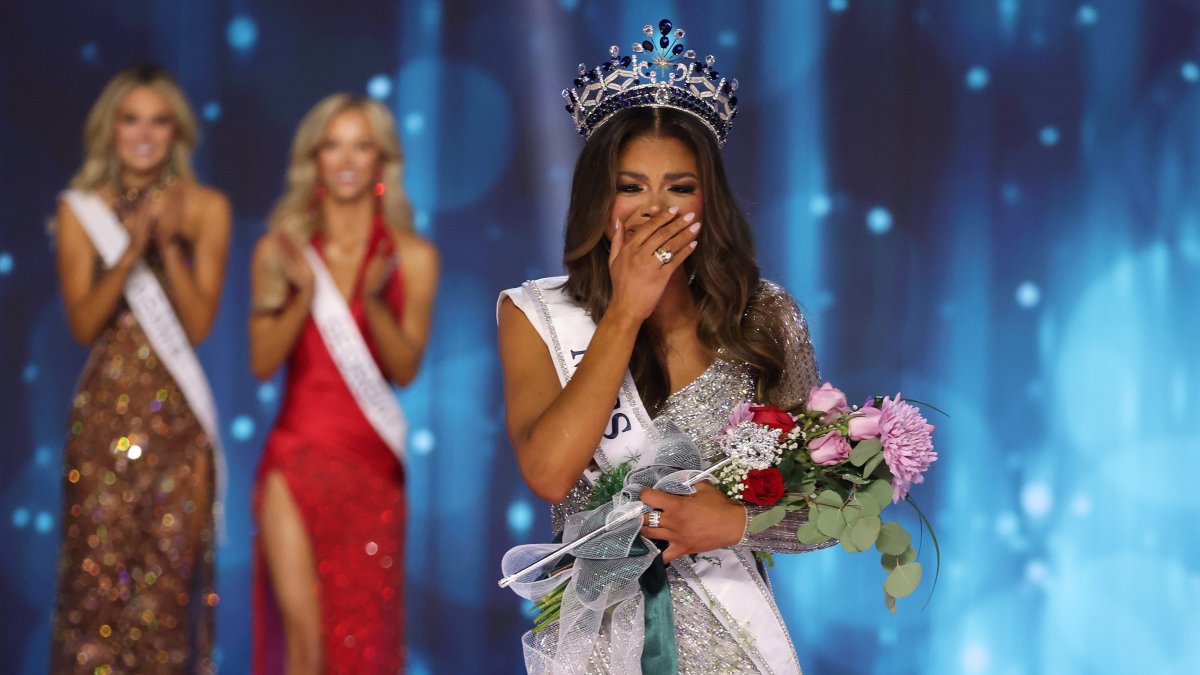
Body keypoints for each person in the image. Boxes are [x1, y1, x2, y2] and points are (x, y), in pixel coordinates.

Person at [498, 20, 830, 673]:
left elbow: (820, 502)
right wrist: (625, 311)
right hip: (602, 645)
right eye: (631, 186)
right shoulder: (538, 315)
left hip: (735, 639)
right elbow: (548, 472)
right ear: (600, 198)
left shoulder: (766, 318)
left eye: (679, 186)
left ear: (709, 200)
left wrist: (733, 523)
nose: (656, 208)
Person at [248, 93, 438, 674]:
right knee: (305, 643)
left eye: (362, 144)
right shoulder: (279, 250)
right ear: (315, 158)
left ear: (382, 160)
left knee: (361, 640)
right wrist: (304, 294)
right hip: (295, 457)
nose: (347, 158)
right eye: (333, 145)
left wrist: (375, 302)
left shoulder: (413, 256)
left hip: (371, 469)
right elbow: (260, 361)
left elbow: (406, 369)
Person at [50, 64, 231, 674]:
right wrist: (129, 247)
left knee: (165, 593)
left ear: (176, 131)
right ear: (112, 128)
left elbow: (200, 326)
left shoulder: (206, 208)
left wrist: (171, 246)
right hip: (103, 422)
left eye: (159, 121)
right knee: (94, 593)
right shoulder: (81, 211)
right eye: (132, 120)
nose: (145, 134)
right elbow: (83, 324)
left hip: (179, 427)